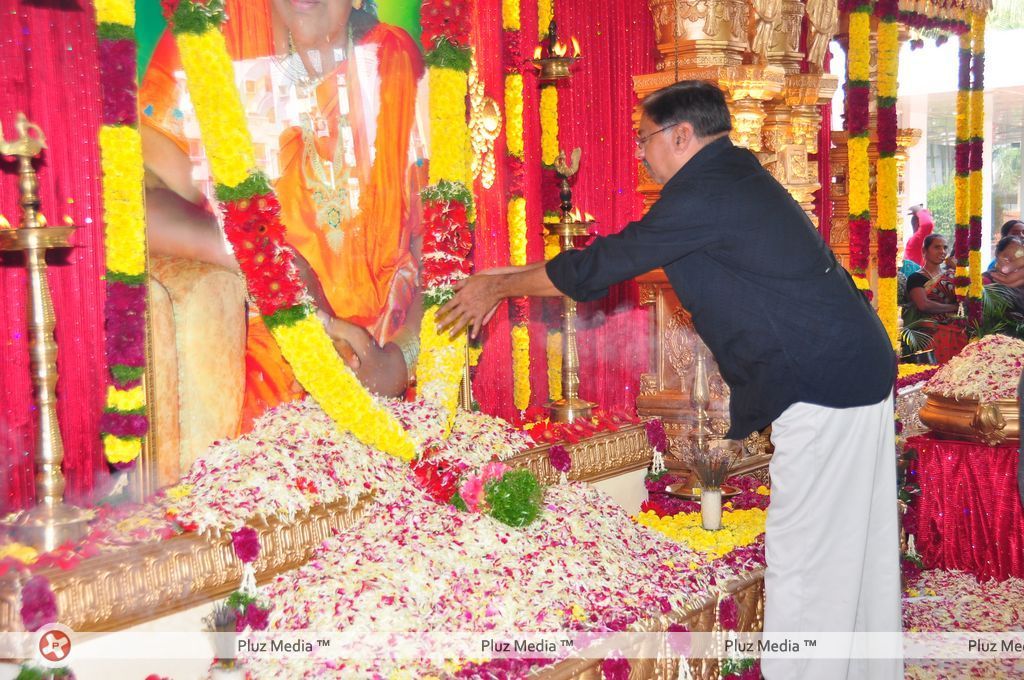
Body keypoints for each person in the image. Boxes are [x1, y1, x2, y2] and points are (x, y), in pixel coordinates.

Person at [439, 80, 900, 680]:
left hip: (823, 382)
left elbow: (605, 262)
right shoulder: (729, 177)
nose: (638, 151)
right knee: (853, 544)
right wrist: (502, 276)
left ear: (681, 135)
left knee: (808, 554)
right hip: (850, 370)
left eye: (643, 138)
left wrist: (496, 286)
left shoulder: (706, 190)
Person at [140, 0, 424, 429]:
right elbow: (139, 199)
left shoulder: (394, 62)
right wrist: (274, 264)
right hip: (263, 374)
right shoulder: (207, 39)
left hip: (391, 379)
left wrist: (401, 360)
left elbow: (440, 244)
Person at [905, 234, 958, 317]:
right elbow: (924, 305)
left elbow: (969, 297)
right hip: (927, 326)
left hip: (956, 324)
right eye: (937, 247)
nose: (942, 251)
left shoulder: (950, 274)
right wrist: (955, 307)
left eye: (945, 248)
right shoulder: (915, 278)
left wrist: (957, 269)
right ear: (924, 251)